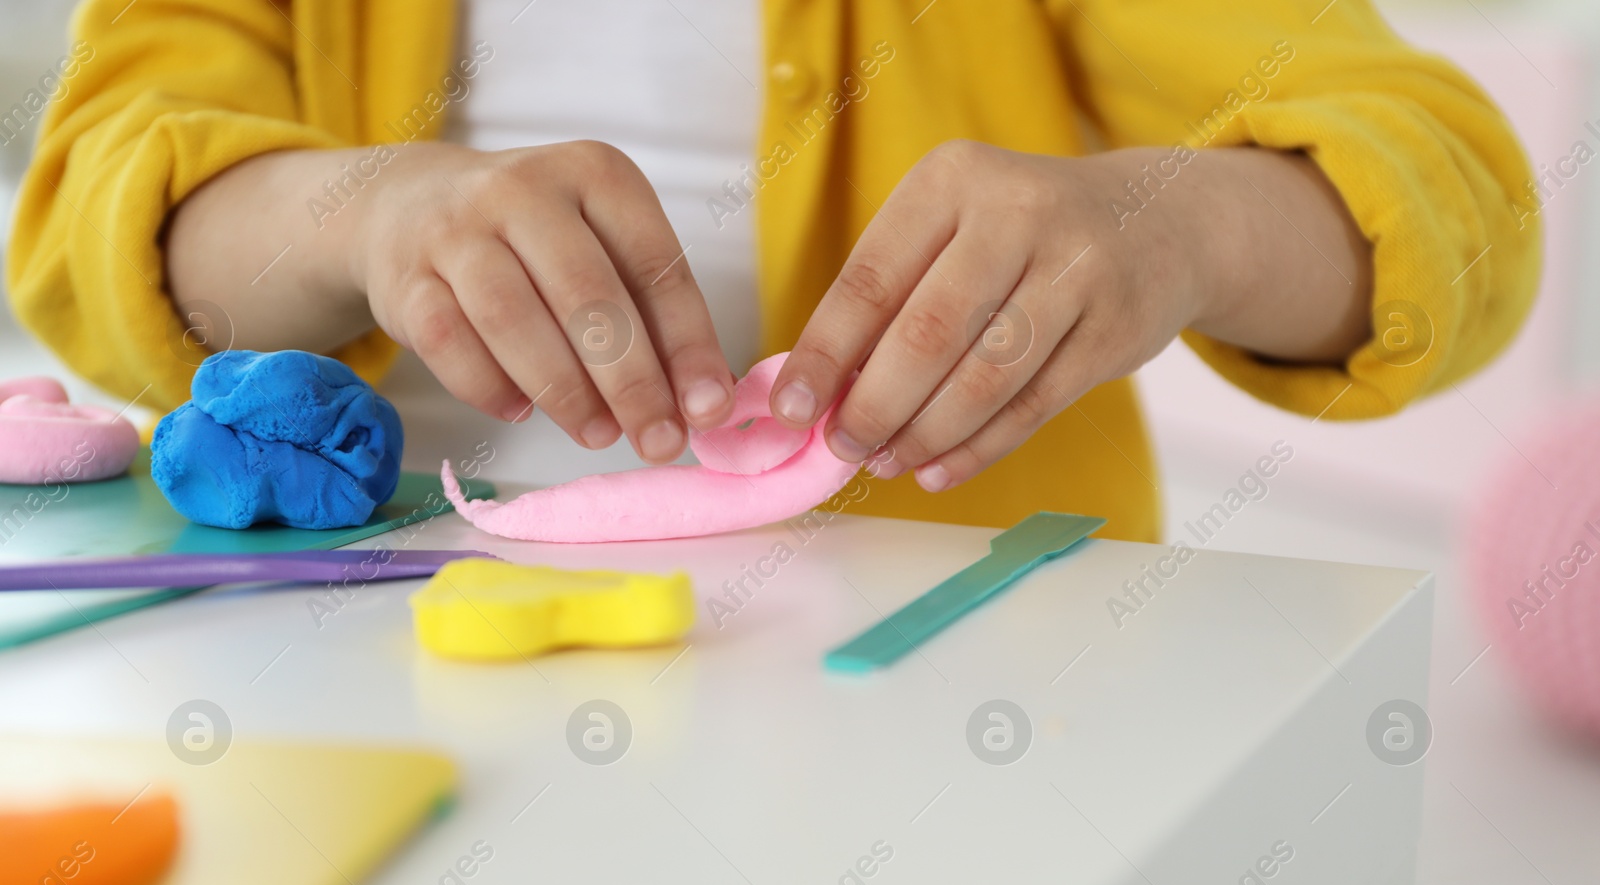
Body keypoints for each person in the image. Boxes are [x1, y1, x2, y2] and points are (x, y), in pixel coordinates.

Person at [6, 0, 1539, 542]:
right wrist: (366, 212)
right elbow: (92, 219)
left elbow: (1451, 196)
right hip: (348, 648)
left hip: (919, 689)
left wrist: (1180, 227)